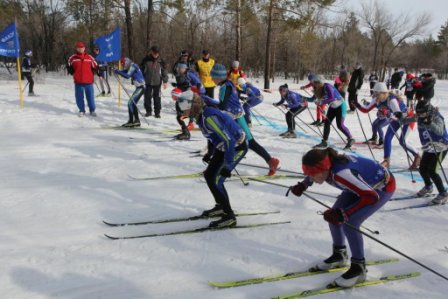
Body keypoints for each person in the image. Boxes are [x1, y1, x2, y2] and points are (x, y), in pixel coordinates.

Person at [288, 147, 395, 287]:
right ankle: (339, 255)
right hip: (359, 187)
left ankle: (359, 269)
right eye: (309, 174)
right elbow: (313, 172)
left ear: (325, 168)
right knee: (333, 216)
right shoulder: (326, 166)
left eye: (314, 174)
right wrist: (304, 184)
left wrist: (345, 214)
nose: (312, 177)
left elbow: (370, 197)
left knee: (350, 222)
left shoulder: (342, 174)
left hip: (380, 188)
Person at [176, 90, 249, 228]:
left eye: (184, 110)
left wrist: (227, 166)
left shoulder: (208, 117)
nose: (182, 113)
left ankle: (229, 216)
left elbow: (229, 140)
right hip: (224, 147)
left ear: (192, 107)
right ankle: (220, 206)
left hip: (236, 146)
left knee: (217, 180)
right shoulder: (201, 115)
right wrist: (210, 153)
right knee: (209, 175)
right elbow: (213, 136)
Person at [203, 63, 280, 176]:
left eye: (213, 77)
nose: (212, 79)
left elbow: (222, 106)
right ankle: (217, 166)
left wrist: (207, 101)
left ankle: (271, 161)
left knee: (246, 142)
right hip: (233, 117)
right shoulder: (227, 85)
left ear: (218, 77)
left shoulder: (227, 87)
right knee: (228, 141)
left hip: (236, 118)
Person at [355, 82, 420, 169]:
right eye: (374, 93)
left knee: (403, 141)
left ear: (383, 93)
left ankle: (417, 156)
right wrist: (356, 104)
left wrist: (388, 113)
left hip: (408, 119)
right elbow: (366, 110)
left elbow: (399, 115)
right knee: (387, 138)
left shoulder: (391, 100)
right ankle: (386, 161)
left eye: (377, 93)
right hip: (396, 119)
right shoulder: (377, 100)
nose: (375, 95)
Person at [407, 101, 448, 204]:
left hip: (441, 146)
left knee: (432, 171)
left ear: (428, 111)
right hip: (429, 146)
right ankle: (428, 186)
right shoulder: (421, 116)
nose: (420, 115)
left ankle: (443, 193)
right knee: (422, 168)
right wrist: (398, 118)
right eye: (418, 113)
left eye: (422, 113)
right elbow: (409, 119)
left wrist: (430, 123)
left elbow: (440, 131)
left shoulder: (437, 117)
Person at [311, 75, 354, 150]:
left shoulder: (327, 86)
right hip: (333, 106)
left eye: (316, 83)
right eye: (314, 83)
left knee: (340, 125)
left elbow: (332, 98)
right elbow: (317, 99)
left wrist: (321, 102)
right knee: (327, 123)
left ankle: (350, 138)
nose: (315, 85)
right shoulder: (320, 89)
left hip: (340, 105)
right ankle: (325, 141)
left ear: (320, 83)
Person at [173, 62, 204, 139]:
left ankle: (187, 131)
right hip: (182, 96)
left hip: (188, 97)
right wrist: (176, 85)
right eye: (178, 68)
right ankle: (186, 130)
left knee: (181, 115)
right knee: (180, 114)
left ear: (184, 68)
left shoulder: (189, 74)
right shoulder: (182, 75)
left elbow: (198, 83)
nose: (179, 69)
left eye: (180, 68)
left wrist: (196, 91)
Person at [67, 41, 98, 117]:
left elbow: (96, 65)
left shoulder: (89, 57)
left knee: (90, 97)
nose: (80, 49)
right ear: (76, 49)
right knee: (79, 97)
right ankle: (81, 110)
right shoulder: (72, 58)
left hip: (88, 81)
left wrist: (97, 71)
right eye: (79, 48)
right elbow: (68, 64)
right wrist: (70, 70)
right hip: (78, 81)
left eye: (82, 48)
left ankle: (92, 110)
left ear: (84, 48)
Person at [114, 57, 145, 127]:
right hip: (139, 87)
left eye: (123, 64)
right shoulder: (131, 66)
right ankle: (136, 121)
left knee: (130, 103)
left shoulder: (133, 66)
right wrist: (117, 71)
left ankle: (132, 121)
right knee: (133, 103)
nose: (123, 66)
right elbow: (125, 72)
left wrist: (117, 71)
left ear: (126, 62)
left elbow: (127, 76)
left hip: (141, 87)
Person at [140, 46, 168, 118]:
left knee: (157, 98)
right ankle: (148, 111)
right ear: (151, 52)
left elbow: (164, 71)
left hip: (157, 82)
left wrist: (165, 81)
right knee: (147, 97)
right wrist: (140, 79)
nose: (156, 54)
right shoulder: (146, 59)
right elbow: (141, 70)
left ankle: (157, 112)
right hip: (147, 81)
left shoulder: (161, 61)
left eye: (157, 53)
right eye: (154, 52)